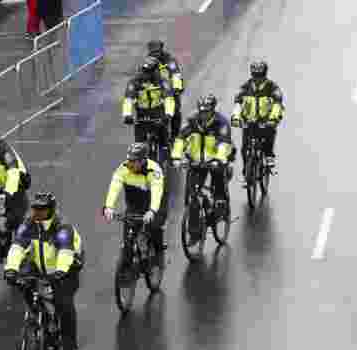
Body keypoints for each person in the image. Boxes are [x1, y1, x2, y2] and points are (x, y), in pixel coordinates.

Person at [3, 192, 84, 350]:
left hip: (66, 267)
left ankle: (68, 345)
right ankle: (40, 317)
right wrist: (11, 269)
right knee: (24, 284)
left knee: (64, 304)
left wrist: (61, 271)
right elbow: (17, 247)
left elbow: (65, 252)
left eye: (42, 210)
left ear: (51, 211)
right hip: (40, 265)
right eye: (35, 209)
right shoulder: (28, 225)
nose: (37, 213)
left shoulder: (62, 228)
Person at [170, 93, 234, 245]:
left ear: (213, 110)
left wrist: (219, 159)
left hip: (216, 161)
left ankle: (221, 207)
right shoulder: (191, 122)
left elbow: (224, 144)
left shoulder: (222, 123)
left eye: (207, 111)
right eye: (202, 111)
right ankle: (194, 233)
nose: (204, 115)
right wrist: (177, 157)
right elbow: (180, 139)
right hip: (196, 162)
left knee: (219, 189)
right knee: (193, 198)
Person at [101, 142, 167, 264]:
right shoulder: (124, 168)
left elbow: (157, 192)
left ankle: (159, 253)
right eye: (129, 160)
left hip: (153, 205)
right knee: (128, 238)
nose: (130, 163)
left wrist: (152, 211)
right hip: (134, 206)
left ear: (142, 161)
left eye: (134, 161)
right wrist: (109, 207)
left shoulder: (154, 170)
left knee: (155, 227)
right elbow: (115, 186)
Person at [231, 60, 285, 169]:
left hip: (266, 121)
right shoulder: (245, 87)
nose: (257, 78)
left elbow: (277, 104)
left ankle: (269, 156)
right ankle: (246, 171)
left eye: (260, 75)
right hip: (249, 121)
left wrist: (273, 118)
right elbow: (238, 104)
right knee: (244, 149)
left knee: (269, 134)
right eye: (255, 75)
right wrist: (236, 117)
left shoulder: (272, 86)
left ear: (265, 74)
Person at [122, 57, 175, 163]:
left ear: (155, 71)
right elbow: (128, 99)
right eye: (144, 71)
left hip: (158, 112)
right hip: (142, 113)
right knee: (139, 144)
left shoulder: (163, 82)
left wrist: (168, 114)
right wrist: (127, 115)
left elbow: (169, 99)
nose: (146, 74)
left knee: (164, 139)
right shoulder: (134, 82)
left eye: (149, 71)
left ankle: (168, 155)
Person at [145, 40, 185, 142]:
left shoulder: (170, 60)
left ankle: (175, 136)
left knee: (175, 111)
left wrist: (177, 88)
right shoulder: (147, 61)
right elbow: (140, 76)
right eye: (153, 52)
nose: (155, 54)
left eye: (157, 52)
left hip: (170, 89)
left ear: (161, 50)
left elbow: (176, 74)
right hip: (154, 90)